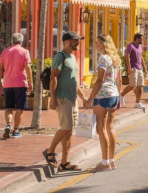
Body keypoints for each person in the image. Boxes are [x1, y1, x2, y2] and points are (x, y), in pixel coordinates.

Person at [44, 31, 86, 172]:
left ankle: (65, 162)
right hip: (63, 97)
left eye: (78, 40)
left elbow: (74, 81)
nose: (78, 42)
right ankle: (50, 151)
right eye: (75, 40)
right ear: (67, 41)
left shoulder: (72, 57)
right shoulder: (59, 57)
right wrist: (53, 98)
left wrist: (83, 97)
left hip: (73, 98)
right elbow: (53, 78)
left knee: (69, 131)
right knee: (66, 128)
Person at [84, 35, 122, 171]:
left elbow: (99, 80)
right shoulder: (116, 58)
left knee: (101, 129)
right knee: (110, 128)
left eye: (97, 43)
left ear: (104, 44)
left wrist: (90, 99)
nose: (95, 45)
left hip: (103, 96)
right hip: (114, 95)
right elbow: (119, 81)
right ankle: (111, 161)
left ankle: (104, 163)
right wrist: (119, 96)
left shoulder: (103, 58)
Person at [0, 32, 32, 139]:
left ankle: (8, 124)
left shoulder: (5, 52)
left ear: (12, 41)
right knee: (20, 108)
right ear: (22, 42)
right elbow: (28, 67)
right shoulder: (25, 52)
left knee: (9, 107)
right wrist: (31, 82)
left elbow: (0, 68)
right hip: (20, 84)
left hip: (7, 83)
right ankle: (16, 130)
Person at [120, 33, 147, 109]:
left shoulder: (140, 46)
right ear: (137, 39)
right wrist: (129, 68)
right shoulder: (130, 46)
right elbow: (127, 57)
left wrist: (145, 68)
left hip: (139, 68)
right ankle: (121, 95)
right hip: (133, 68)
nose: (142, 40)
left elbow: (141, 58)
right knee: (132, 85)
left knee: (140, 86)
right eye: (141, 39)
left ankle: (137, 102)